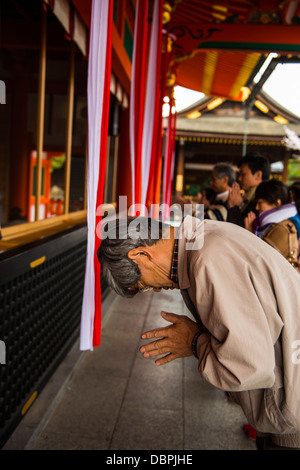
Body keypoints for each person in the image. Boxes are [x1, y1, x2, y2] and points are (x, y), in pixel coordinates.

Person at [98, 215, 300, 450]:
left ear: (141, 254)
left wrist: (193, 342)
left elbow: (247, 366)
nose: (155, 289)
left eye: (142, 285)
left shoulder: (209, 258)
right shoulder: (204, 238)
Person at [244, 179, 300, 272]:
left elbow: (261, 264)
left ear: (277, 203)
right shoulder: (274, 225)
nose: (256, 207)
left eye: (260, 202)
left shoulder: (282, 229)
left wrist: (249, 235)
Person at [227, 153, 270, 227]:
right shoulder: (249, 198)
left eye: (243, 174)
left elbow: (237, 231)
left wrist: (234, 207)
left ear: (258, 175)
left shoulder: (263, 201)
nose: (239, 178)